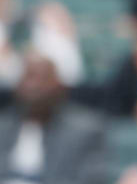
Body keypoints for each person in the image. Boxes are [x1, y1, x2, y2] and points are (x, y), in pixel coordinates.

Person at [0, 48, 106, 184]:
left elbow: (89, 179)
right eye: (28, 78)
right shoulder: (3, 125)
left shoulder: (85, 130)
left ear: (60, 86)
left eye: (42, 79)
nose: (34, 87)